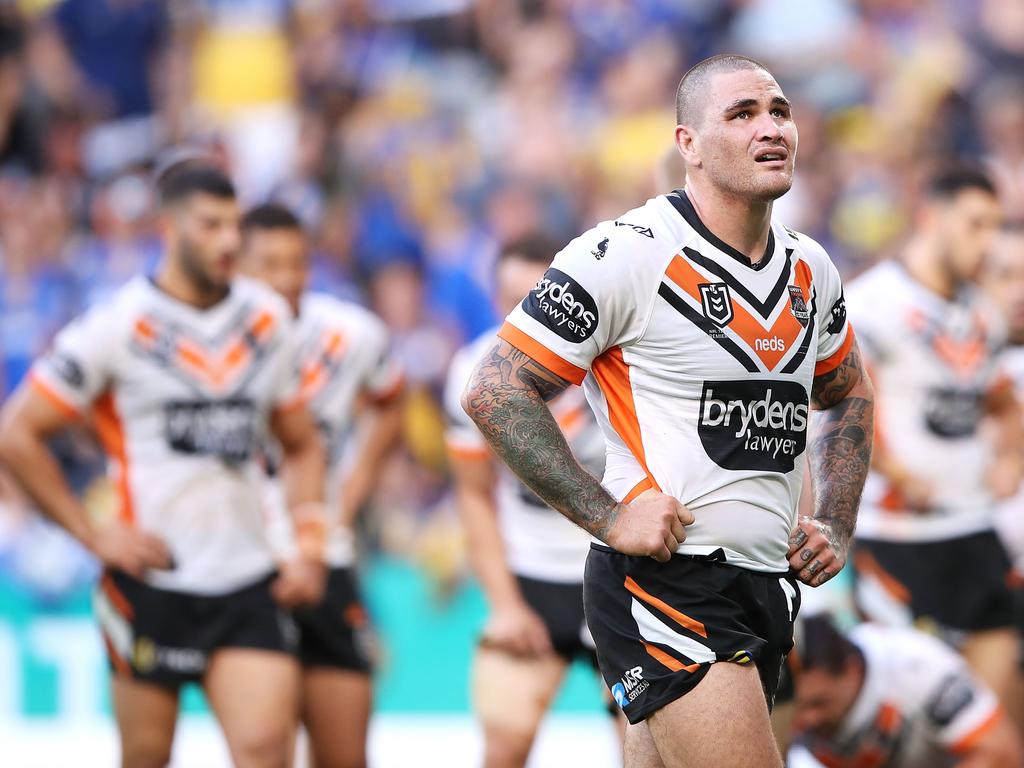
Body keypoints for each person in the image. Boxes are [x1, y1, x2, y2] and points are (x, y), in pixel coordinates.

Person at [461, 53, 874, 768]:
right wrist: (609, 515)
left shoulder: (813, 267)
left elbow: (851, 395)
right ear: (688, 146)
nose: (770, 128)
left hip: (766, 585)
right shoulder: (624, 254)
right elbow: (493, 391)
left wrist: (836, 518)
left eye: (778, 111)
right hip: (668, 582)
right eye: (741, 115)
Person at [0, 164, 328, 768]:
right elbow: (17, 433)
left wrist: (308, 541)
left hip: (248, 579)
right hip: (151, 582)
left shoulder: (268, 321)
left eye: (233, 225)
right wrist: (91, 534)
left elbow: (302, 442)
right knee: (147, 756)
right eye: (210, 225)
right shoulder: (116, 326)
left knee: (266, 750)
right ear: (167, 227)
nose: (229, 241)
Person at [847, 167, 1022, 711]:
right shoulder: (870, 303)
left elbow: (1002, 401)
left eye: (994, 226)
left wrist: (1011, 457)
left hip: (972, 527)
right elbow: (840, 407)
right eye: (975, 224)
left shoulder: (980, 313)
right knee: (904, 716)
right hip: (897, 534)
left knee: (986, 722)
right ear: (931, 217)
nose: (987, 241)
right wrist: (896, 473)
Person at [240, 202, 404, 768]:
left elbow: (392, 402)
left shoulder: (349, 334)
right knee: (264, 749)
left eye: (297, 263)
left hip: (325, 558)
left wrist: (351, 493)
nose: (286, 279)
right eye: (269, 264)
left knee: (346, 754)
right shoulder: (213, 339)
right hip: (247, 566)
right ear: (237, 267)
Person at [444, 235, 618, 768]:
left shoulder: (616, 364)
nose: (520, 315)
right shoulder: (475, 371)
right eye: (509, 301)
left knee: (648, 751)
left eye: (534, 299)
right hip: (532, 574)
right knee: (504, 748)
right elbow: (473, 497)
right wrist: (505, 605)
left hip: (619, 573)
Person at [792, 616, 1021, 767]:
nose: (806, 719)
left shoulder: (916, 666)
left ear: (851, 671)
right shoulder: (784, 701)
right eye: (797, 708)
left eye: (819, 703)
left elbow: (1001, 753)